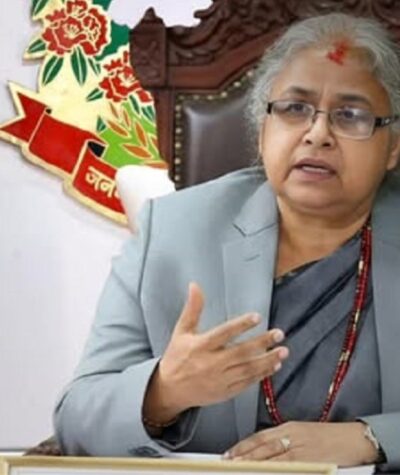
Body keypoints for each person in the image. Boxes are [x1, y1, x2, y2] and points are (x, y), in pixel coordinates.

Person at [54, 12, 400, 468]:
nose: (318, 134)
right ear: (263, 130)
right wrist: (164, 392)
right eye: (294, 109)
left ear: (393, 147)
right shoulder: (171, 231)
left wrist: (371, 438)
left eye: (351, 115)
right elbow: (76, 421)